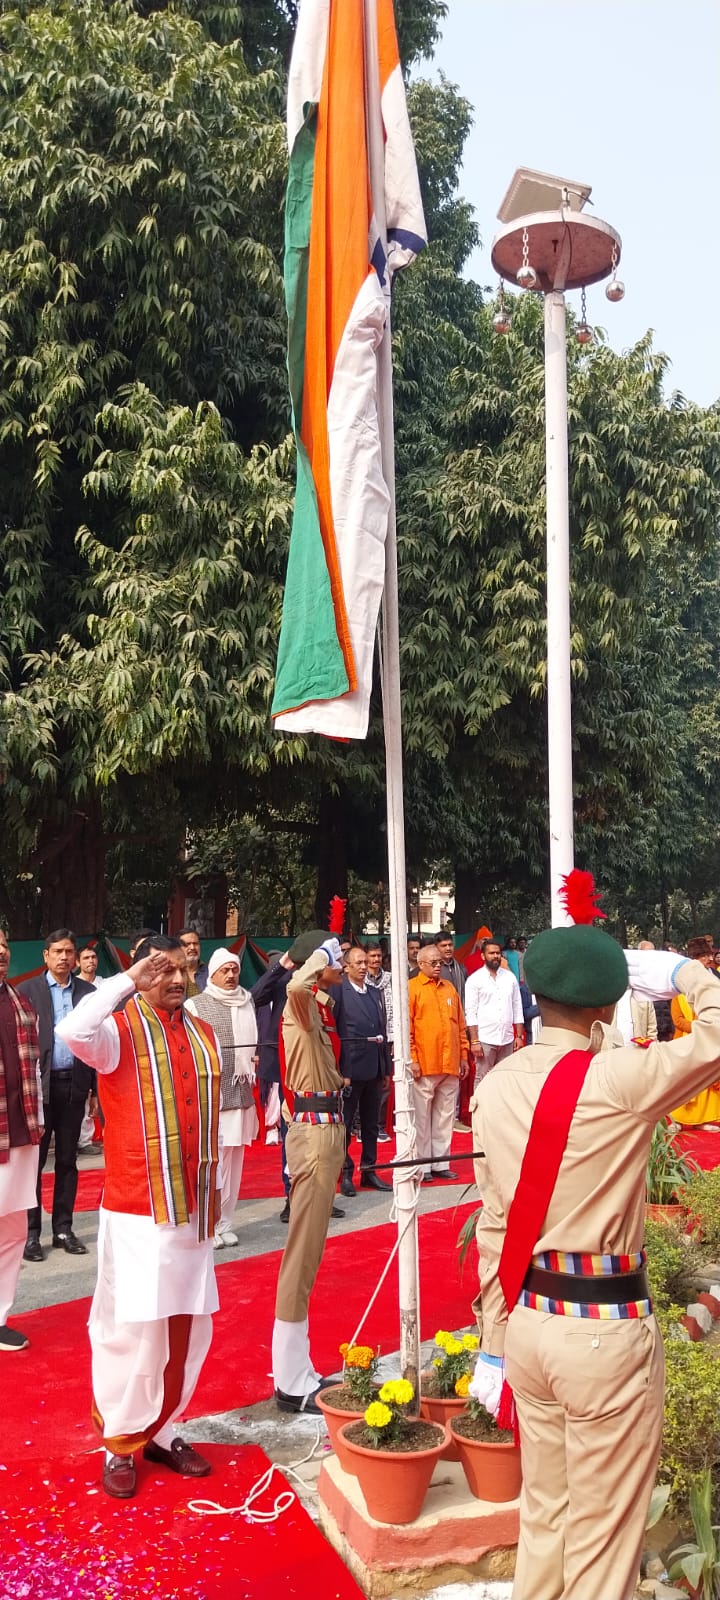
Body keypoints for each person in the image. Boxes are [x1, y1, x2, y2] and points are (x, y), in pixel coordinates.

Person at [469, 920, 720, 1600]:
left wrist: (494, 1340)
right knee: (603, 1545)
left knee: (546, 1518)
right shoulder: (620, 1078)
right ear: (611, 1002)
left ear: (534, 990)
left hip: (529, 1323)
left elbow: (495, 1225)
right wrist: (684, 975)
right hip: (602, 1331)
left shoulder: (498, 1083)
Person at [55, 935, 222, 1499]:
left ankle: (164, 1429)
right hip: (137, 1210)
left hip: (193, 1208)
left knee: (187, 1326)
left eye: (179, 969)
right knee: (132, 1330)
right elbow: (70, 1030)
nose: (173, 978)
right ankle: (120, 1443)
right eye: (159, 969)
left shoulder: (201, 1033)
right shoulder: (116, 1034)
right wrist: (127, 981)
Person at [272, 929, 346, 1413]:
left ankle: (299, 1368)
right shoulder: (299, 1001)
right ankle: (290, 1379)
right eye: (338, 957)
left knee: (310, 1253)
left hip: (325, 1129)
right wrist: (319, 954)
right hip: (314, 1134)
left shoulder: (317, 1006)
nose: (343, 964)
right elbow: (296, 984)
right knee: (301, 1256)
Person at [20, 929, 96, 1261]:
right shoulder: (28, 991)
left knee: (67, 1159)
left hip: (74, 1084)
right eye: (57, 951)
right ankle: (31, 1233)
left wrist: (94, 1088)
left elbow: (96, 1039)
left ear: (75, 956)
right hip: (39, 1087)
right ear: (46, 955)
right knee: (34, 1163)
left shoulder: (87, 993)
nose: (64, 957)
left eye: (69, 951)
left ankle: (63, 1228)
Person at [186, 948, 258, 1248]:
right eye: (224, 970)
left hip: (240, 1093)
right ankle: (208, 1223)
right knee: (213, 1161)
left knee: (235, 1161)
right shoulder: (195, 1005)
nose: (230, 975)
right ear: (212, 974)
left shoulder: (246, 1000)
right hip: (211, 1097)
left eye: (234, 970)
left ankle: (226, 1221)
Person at [0, 931, 42, 1351]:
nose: (1, 952)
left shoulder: (21, 1003)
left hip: (20, 1131)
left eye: (4, 945)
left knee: (13, 1230)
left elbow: (34, 1070)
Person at [408, 943, 469, 1181]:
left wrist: (463, 1056)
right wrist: (413, 1059)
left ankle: (441, 1163)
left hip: (450, 1062)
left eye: (439, 963)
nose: (437, 967)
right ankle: (423, 1165)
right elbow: (408, 1029)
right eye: (432, 963)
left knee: (445, 1116)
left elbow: (460, 1025)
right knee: (422, 1118)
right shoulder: (412, 988)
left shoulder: (449, 988)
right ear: (420, 964)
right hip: (425, 1062)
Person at [335, 946, 391, 1198]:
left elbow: (382, 1030)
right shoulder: (339, 991)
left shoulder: (374, 992)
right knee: (346, 1124)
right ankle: (345, 1172)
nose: (362, 967)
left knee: (371, 1124)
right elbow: (335, 1032)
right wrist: (339, 1069)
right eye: (357, 963)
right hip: (350, 1067)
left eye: (364, 963)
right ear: (346, 966)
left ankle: (369, 1169)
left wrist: (385, 1068)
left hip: (374, 1065)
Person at [251, 951, 296, 1222]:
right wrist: (281, 967)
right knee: (290, 1133)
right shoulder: (281, 980)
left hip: (319, 1066)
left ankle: (319, 1196)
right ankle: (292, 1196)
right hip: (285, 1064)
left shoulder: (323, 978)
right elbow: (255, 997)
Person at [670, 935, 720, 1125]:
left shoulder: (714, 978)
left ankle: (704, 1119)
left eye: (709, 955)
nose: (709, 959)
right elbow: (677, 1019)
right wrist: (699, 1027)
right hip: (686, 1040)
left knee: (705, 1081)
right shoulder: (679, 984)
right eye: (704, 956)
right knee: (685, 1081)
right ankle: (678, 1119)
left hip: (707, 1038)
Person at [464, 937, 524, 1084]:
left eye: (498, 953)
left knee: (505, 1077)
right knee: (482, 1078)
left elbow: (517, 1006)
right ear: (483, 956)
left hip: (507, 1038)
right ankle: (480, 1100)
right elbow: (470, 1013)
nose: (495, 956)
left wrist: (519, 1036)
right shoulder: (474, 979)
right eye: (491, 953)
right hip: (485, 1039)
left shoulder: (510, 977)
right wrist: (474, 1041)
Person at [365, 943, 393, 1142]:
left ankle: (380, 1125)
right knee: (364, 1081)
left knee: (385, 1082)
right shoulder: (359, 980)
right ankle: (361, 1125)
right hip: (366, 1038)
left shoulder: (391, 979)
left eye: (378, 956)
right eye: (372, 956)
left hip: (387, 1037)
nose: (376, 959)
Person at [434, 932, 467, 1006]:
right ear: (436, 948)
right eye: (444, 946)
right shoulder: (432, 969)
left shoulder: (461, 969)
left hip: (459, 1009)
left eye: (450, 945)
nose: (448, 948)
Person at [178, 928, 208, 994]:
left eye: (195, 943)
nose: (192, 948)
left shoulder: (210, 972)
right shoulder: (172, 973)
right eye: (187, 944)